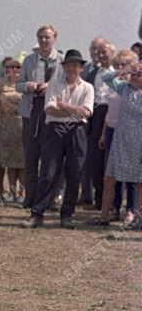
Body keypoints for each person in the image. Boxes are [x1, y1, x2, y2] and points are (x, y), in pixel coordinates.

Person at [25, 50, 94, 229]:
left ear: (81, 68)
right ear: (64, 67)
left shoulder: (88, 88)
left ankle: (67, 215)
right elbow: (49, 110)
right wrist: (74, 110)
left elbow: (86, 112)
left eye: (76, 65)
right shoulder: (54, 84)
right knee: (48, 172)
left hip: (77, 131)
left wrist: (64, 105)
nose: (72, 68)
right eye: (69, 64)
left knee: (74, 173)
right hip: (54, 130)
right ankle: (37, 213)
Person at [17, 25, 63, 209]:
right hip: (31, 112)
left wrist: (49, 87)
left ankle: (51, 197)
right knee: (30, 156)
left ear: (54, 39)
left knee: (52, 158)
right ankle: (30, 196)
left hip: (54, 114)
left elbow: (68, 85)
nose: (44, 40)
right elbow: (17, 85)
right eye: (41, 37)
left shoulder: (62, 61)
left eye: (48, 37)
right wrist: (28, 85)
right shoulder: (29, 61)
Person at [95, 50, 140, 226]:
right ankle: (105, 215)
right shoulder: (124, 88)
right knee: (111, 178)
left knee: (136, 181)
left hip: (139, 142)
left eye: (139, 74)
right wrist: (122, 72)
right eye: (134, 74)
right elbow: (106, 78)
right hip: (121, 140)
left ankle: (133, 214)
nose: (136, 77)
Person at [83, 41, 115, 208]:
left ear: (112, 53)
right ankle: (98, 196)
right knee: (94, 158)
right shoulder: (93, 72)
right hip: (95, 114)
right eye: (98, 52)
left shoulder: (117, 73)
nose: (101, 55)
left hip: (112, 114)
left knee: (109, 159)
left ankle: (110, 201)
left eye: (104, 52)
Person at [0, 57, 25, 203]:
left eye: (17, 67)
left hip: (23, 126)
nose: (13, 70)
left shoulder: (26, 83)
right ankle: (12, 192)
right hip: (6, 127)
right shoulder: (1, 83)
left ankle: (22, 192)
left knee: (23, 162)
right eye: (10, 67)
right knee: (11, 162)